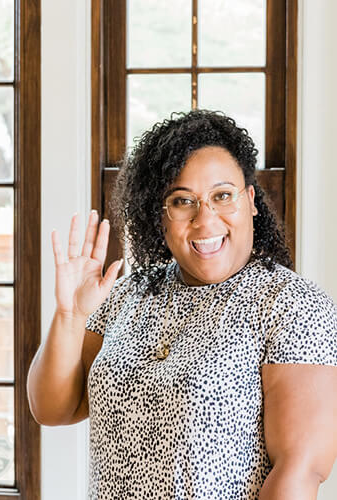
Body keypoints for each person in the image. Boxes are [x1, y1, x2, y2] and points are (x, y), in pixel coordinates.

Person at [27, 110, 337, 499]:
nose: (205, 220)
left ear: (251, 200)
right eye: (182, 201)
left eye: (222, 195)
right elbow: (54, 408)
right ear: (160, 214)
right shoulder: (125, 294)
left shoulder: (292, 304)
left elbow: (299, 469)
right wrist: (70, 316)